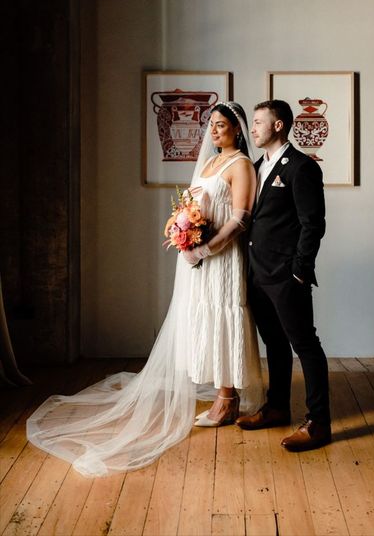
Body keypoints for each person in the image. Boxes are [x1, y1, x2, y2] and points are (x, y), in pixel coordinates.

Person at [27, 102, 263, 476]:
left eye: (221, 125)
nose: (213, 131)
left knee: (223, 318)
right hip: (195, 261)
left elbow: (240, 218)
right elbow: (193, 205)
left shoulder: (242, 166)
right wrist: (183, 231)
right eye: (212, 125)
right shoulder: (207, 165)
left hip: (221, 258)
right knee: (201, 320)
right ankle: (222, 396)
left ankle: (227, 399)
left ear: (238, 129)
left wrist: (205, 246)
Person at [235, 99, 331, 452]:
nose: (254, 127)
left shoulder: (301, 167)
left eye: (259, 121)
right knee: (273, 344)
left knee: (305, 345)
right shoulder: (257, 166)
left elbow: (313, 223)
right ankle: (276, 408)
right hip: (257, 274)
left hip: (287, 276)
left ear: (278, 126)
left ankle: (319, 423)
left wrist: (300, 272)